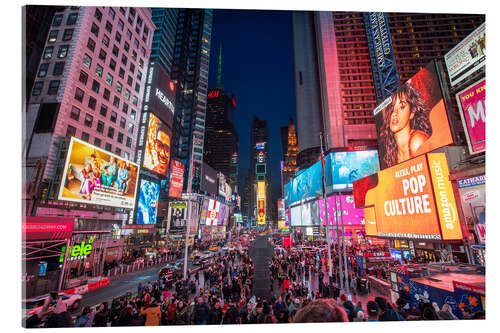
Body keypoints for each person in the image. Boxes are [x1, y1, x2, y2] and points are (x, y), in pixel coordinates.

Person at [379, 82, 432, 167]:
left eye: (402, 107)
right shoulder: (392, 152)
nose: (394, 113)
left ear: (411, 113)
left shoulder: (417, 142)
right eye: (392, 108)